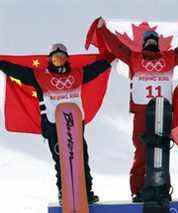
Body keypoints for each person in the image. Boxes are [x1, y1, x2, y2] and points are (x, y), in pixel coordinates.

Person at [96, 17, 178, 202]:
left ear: (157, 43)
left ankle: (162, 187)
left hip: (162, 112)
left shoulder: (169, 58)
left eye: (153, 41)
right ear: (143, 43)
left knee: (161, 150)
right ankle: (138, 190)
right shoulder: (134, 58)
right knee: (141, 151)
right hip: (142, 111)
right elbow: (117, 47)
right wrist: (103, 30)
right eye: (147, 40)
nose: (150, 43)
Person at [0, 43, 112, 204]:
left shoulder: (78, 74)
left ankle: (86, 192)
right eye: (55, 57)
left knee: (81, 158)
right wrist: (2, 63)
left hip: (75, 125)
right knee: (61, 161)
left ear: (67, 59)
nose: (58, 60)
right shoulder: (39, 76)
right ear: (50, 59)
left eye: (61, 57)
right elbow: (17, 71)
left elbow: (96, 68)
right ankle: (64, 192)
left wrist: (112, 55)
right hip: (53, 126)